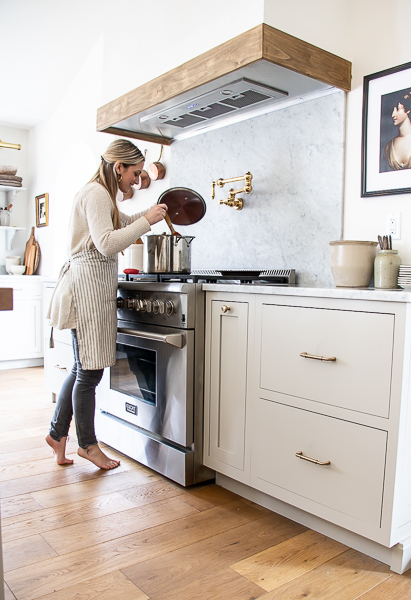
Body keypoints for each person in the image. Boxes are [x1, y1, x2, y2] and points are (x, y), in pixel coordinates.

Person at [45, 139, 168, 469]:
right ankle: (87, 445)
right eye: (135, 173)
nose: (136, 180)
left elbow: (122, 222)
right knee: (90, 371)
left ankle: (58, 435)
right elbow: (106, 243)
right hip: (86, 289)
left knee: (83, 366)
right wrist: (148, 222)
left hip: (91, 287)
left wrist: (149, 214)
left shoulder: (102, 195)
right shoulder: (96, 193)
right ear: (119, 167)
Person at [383, 92, 411, 170]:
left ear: (408, 110)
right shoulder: (389, 146)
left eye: (398, 109)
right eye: (392, 110)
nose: (393, 115)